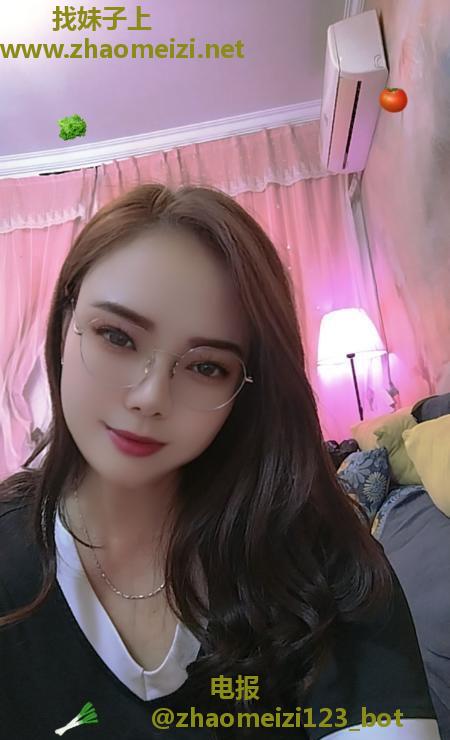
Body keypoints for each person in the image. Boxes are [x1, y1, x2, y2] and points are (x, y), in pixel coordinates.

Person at [0, 183, 441, 740]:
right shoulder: (9, 562)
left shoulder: (314, 554)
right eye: (117, 336)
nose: (150, 397)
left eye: (206, 367)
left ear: (243, 389)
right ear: (65, 325)